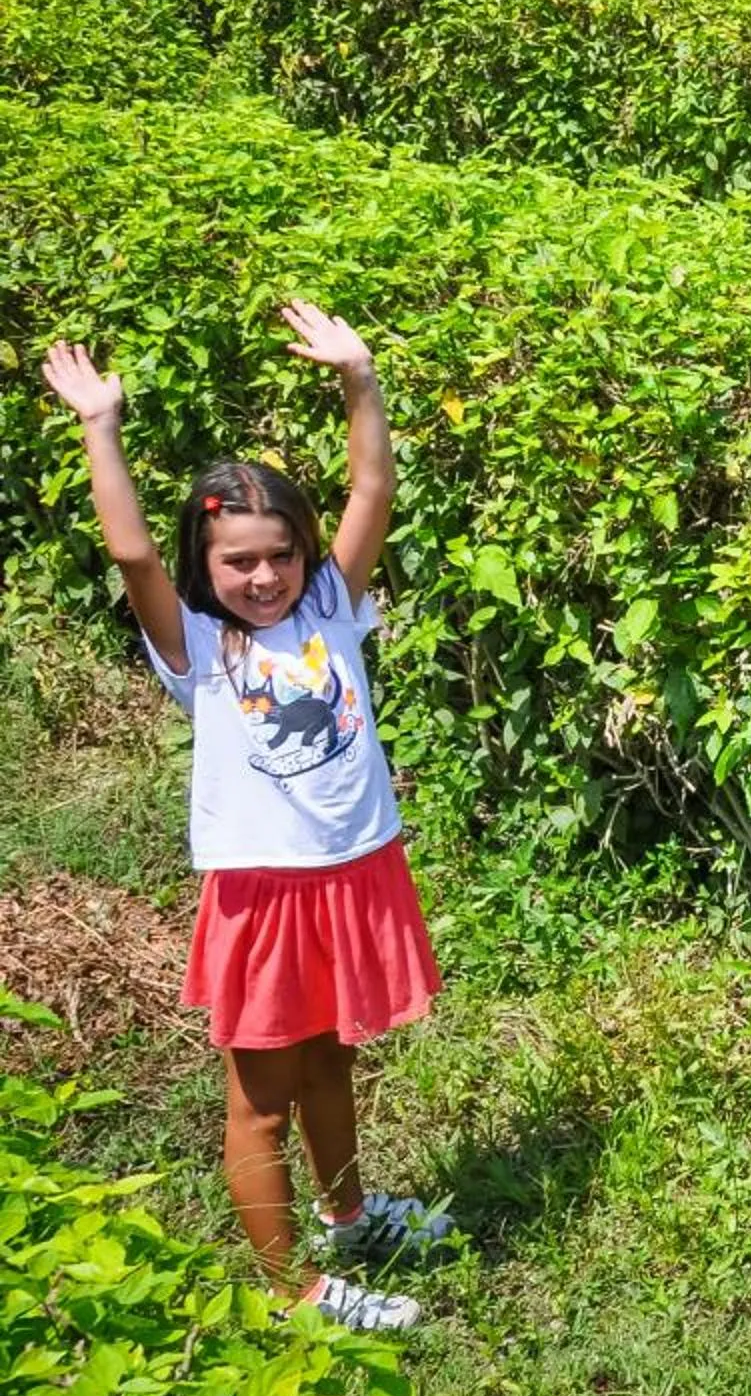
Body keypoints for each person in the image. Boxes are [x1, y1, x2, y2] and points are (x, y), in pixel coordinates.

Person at [41, 304, 450, 1333]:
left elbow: (372, 487)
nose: (262, 576)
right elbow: (132, 552)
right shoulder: (197, 649)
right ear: (206, 566)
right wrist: (101, 423)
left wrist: (359, 372)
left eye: (279, 554)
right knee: (259, 1101)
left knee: (332, 1064)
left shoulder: (330, 608)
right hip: (265, 894)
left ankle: (350, 1217)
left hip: (355, 870)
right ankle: (295, 1295)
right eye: (238, 562)